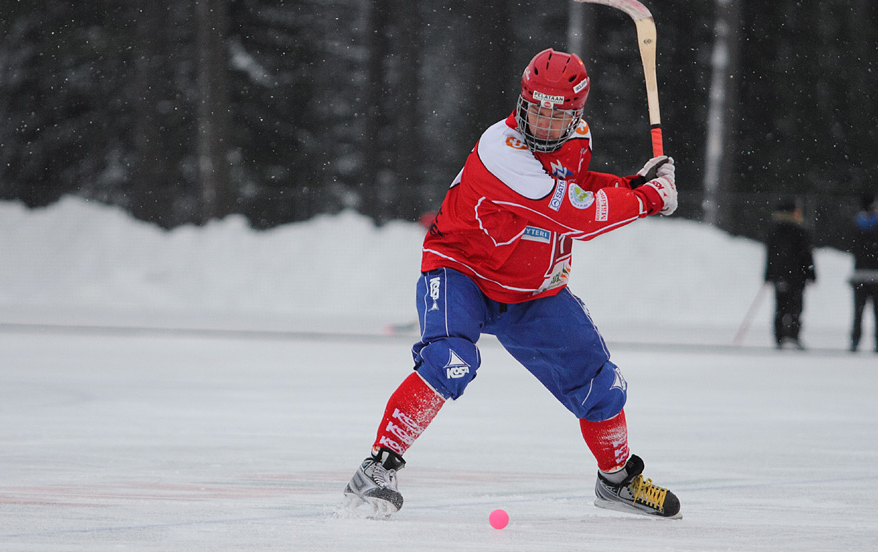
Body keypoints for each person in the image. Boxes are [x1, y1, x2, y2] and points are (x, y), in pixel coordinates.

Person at [343, 48, 681, 519]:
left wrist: (630, 182)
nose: (543, 123)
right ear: (521, 103)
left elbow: (578, 184)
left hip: (532, 290)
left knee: (599, 384)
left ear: (576, 114)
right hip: (461, 271)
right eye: (535, 110)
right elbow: (576, 215)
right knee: (452, 360)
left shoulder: (579, 139)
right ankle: (378, 467)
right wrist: (648, 200)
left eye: (556, 114)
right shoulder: (501, 152)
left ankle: (617, 480)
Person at [764, 199, 816, 349]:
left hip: (780, 276)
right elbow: (807, 255)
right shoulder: (800, 231)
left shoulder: (774, 231)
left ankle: (779, 337)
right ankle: (793, 335)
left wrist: (769, 275)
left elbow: (770, 256)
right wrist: (811, 273)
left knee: (780, 307)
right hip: (797, 277)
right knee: (795, 307)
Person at [849, 194, 878, 353]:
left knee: (858, 311)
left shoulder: (856, 226)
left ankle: (855, 340)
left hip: (860, 274)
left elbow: (853, 248)